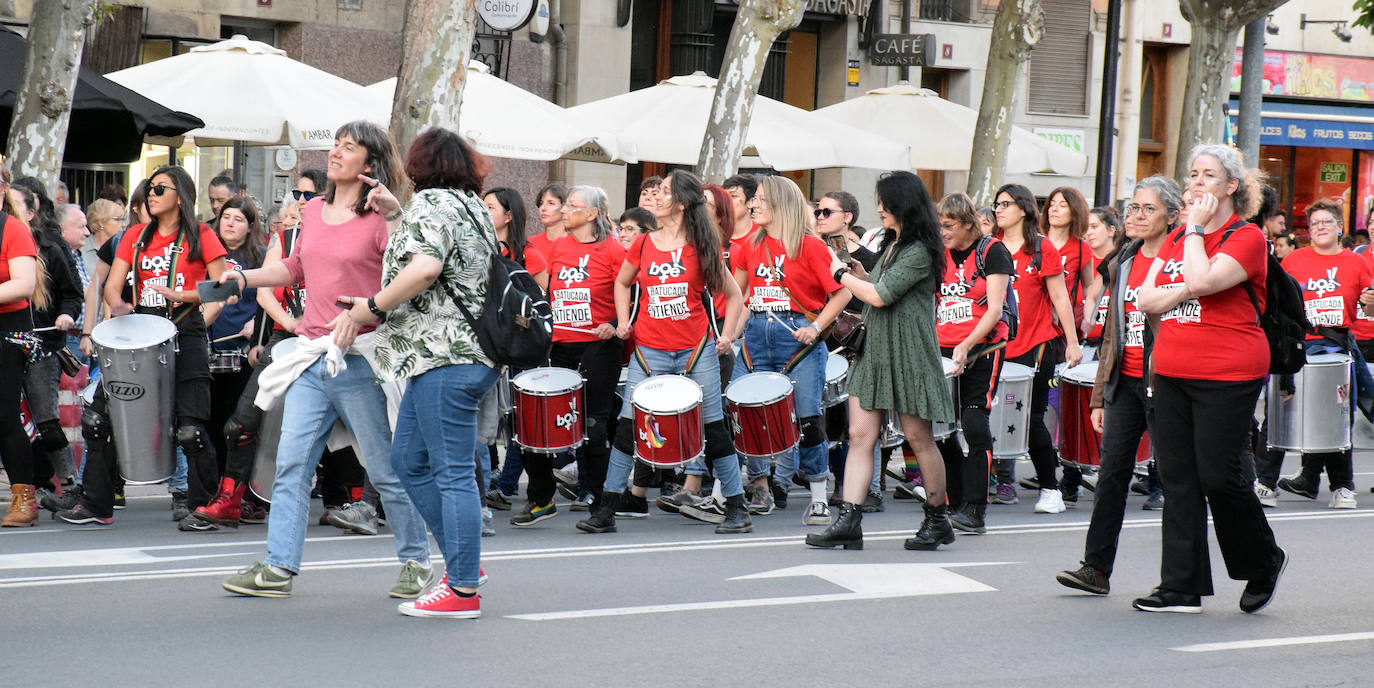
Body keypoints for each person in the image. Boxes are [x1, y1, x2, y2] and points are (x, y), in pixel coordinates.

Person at [219, 121, 432, 599]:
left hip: (361, 361)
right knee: (291, 467)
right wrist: (242, 279)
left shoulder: (381, 216)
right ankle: (278, 568)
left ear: (370, 164)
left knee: (383, 469)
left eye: (348, 147)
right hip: (311, 358)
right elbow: (294, 268)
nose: (335, 153)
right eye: (335, 144)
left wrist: (395, 219)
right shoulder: (312, 210)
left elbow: (408, 272)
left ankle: (417, 561)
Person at [340, 127, 498, 618]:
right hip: (460, 356)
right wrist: (395, 214)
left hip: (446, 356)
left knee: (451, 474)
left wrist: (370, 306)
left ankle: (463, 589)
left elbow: (427, 268)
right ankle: (462, 559)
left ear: (418, 165)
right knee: (408, 459)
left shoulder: (433, 203)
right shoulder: (472, 207)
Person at [1133, 143, 1286, 614]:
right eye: (1193, 174)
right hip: (1173, 368)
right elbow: (1145, 298)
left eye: (1209, 176)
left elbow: (1198, 284)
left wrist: (1195, 234)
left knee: (1220, 478)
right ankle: (1181, 587)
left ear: (1231, 187)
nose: (1197, 182)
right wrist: (1185, 272)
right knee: (1177, 479)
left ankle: (1263, 559)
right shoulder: (1182, 238)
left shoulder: (1245, 237)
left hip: (1229, 370)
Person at [577, 170, 750, 534]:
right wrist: (624, 320)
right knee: (627, 428)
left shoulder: (702, 246)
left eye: (666, 191)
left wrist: (728, 338)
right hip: (648, 349)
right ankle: (607, 508)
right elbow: (621, 283)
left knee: (714, 427)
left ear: (682, 203)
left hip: (695, 348)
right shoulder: (643, 243)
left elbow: (734, 294)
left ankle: (737, 507)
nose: (656, 195)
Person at [58, 165, 228, 527]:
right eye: (150, 187)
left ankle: (203, 506)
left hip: (186, 333)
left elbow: (225, 287)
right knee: (97, 419)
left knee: (190, 429)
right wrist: (117, 305)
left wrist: (183, 297)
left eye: (160, 188)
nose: (151, 193)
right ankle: (97, 504)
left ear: (180, 196)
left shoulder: (202, 235)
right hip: (138, 334)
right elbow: (111, 285)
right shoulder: (134, 235)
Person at [806, 171, 955, 550]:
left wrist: (841, 272)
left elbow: (881, 296)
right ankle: (849, 521)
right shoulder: (893, 243)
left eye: (885, 203)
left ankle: (938, 520)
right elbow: (879, 285)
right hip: (876, 349)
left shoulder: (920, 248)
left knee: (919, 438)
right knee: (860, 436)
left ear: (903, 205)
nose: (878, 209)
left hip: (909, 352)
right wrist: (860, 273)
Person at [1056, 176, 1182, 596]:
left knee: (1183, 480)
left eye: (1148, 209)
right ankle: (1095, 568)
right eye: (1133, 208)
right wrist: (1100, 395)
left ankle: (1179, 579)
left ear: (1172, 216)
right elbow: (1113, 331)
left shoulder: (1179, 258)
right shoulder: (1123, 260)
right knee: (1111, 475)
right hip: (1124, 382)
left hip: (1166, 381)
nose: (1137, 216)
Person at [730, 175, 851, 524]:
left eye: (761, 200)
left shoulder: (811, 246)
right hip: (755, 337)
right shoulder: (749, 245)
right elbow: (740, 297)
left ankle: (817, 495)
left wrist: (815, 327)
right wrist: (729, 336)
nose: (753, 206)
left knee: (808, 417)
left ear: (782, 204)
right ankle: (759, 486)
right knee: (745, 412)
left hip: (797, 336)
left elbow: (841, 292)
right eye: (754, 200)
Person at [511, 185, 625, 527]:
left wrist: (615, 323)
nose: (564, 211)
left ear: (591, 214)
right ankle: (541, 498)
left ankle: (600, 505)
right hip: (559, 344)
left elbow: (635, 295)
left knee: (593, 424)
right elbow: (548, 293)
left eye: (572, 206)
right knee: (538, 422)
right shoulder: (558, 247)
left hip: (599, 345)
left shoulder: (615, 250)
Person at [1266, 199, 1368, 510]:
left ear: (1340, 227)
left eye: (1326, 222)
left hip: (1336, 350)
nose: (1320, 228)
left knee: (1337, 418)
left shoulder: (1355, 262)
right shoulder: (1294, 260)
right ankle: (1265, 482)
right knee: (1279, 412)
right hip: (1296, 348)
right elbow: (1277, 300)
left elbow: (1368, 306)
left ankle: (1342, 487)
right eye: (1314, 224)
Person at [990, 184, 1082, 512]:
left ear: (1024, 209)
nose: (998, 210)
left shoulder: (1041, 249)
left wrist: (1072, 343)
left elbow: (1060, 299)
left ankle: (1050, 489)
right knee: (985, 416)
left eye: (1005, 204)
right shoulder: (990, 247)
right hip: (995, 347)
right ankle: (989, 484)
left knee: (1032, 418)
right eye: (996, 204)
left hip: (1035, 346)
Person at [927, 191, 1012, 535]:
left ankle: (976, 508)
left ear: (967, 224)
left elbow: (994, 309)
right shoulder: (939, 254)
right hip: (944, 347)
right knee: (943, 428)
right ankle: (957, 500)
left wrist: (966, 344)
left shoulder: (992, 251)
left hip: (983, 347)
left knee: (974, 421)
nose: (942, 232)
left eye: (948, 226)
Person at [181, 197, 268, 531]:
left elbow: (269, 296)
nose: (231, 223)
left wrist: (255, 327)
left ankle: (244, 495)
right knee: (211, 422)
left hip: (244, 350)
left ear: (250, 226)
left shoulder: (258, 258)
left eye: (239, 219)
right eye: (226, 217)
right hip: (206, 346)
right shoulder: (207, 255)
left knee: (240, 425)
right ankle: (212, 491)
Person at [11, 180, 83, 494]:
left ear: (32, 209)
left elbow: (73, 294)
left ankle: (69, 485)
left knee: (45, 419)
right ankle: (26, 486)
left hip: (41, 344)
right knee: (9, 420)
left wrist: (66, 315)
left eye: (11, 205)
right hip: (8, 341)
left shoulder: (51, 246)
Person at [0, 164, 42, 527]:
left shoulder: (13, 230)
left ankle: (24, 498)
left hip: (7, 330)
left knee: (3, 414)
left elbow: (24, 284)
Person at [528, 183, 569, 259]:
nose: (543, 208)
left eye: (551, 203)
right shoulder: (531, 244)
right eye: (541, 203)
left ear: (564, 207)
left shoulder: (575, 244)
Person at [721, 173, 758, 244]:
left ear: (750, 202)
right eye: (724, 196)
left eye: (733, 196)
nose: (726, 201)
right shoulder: (714, 235)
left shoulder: (762, 236)